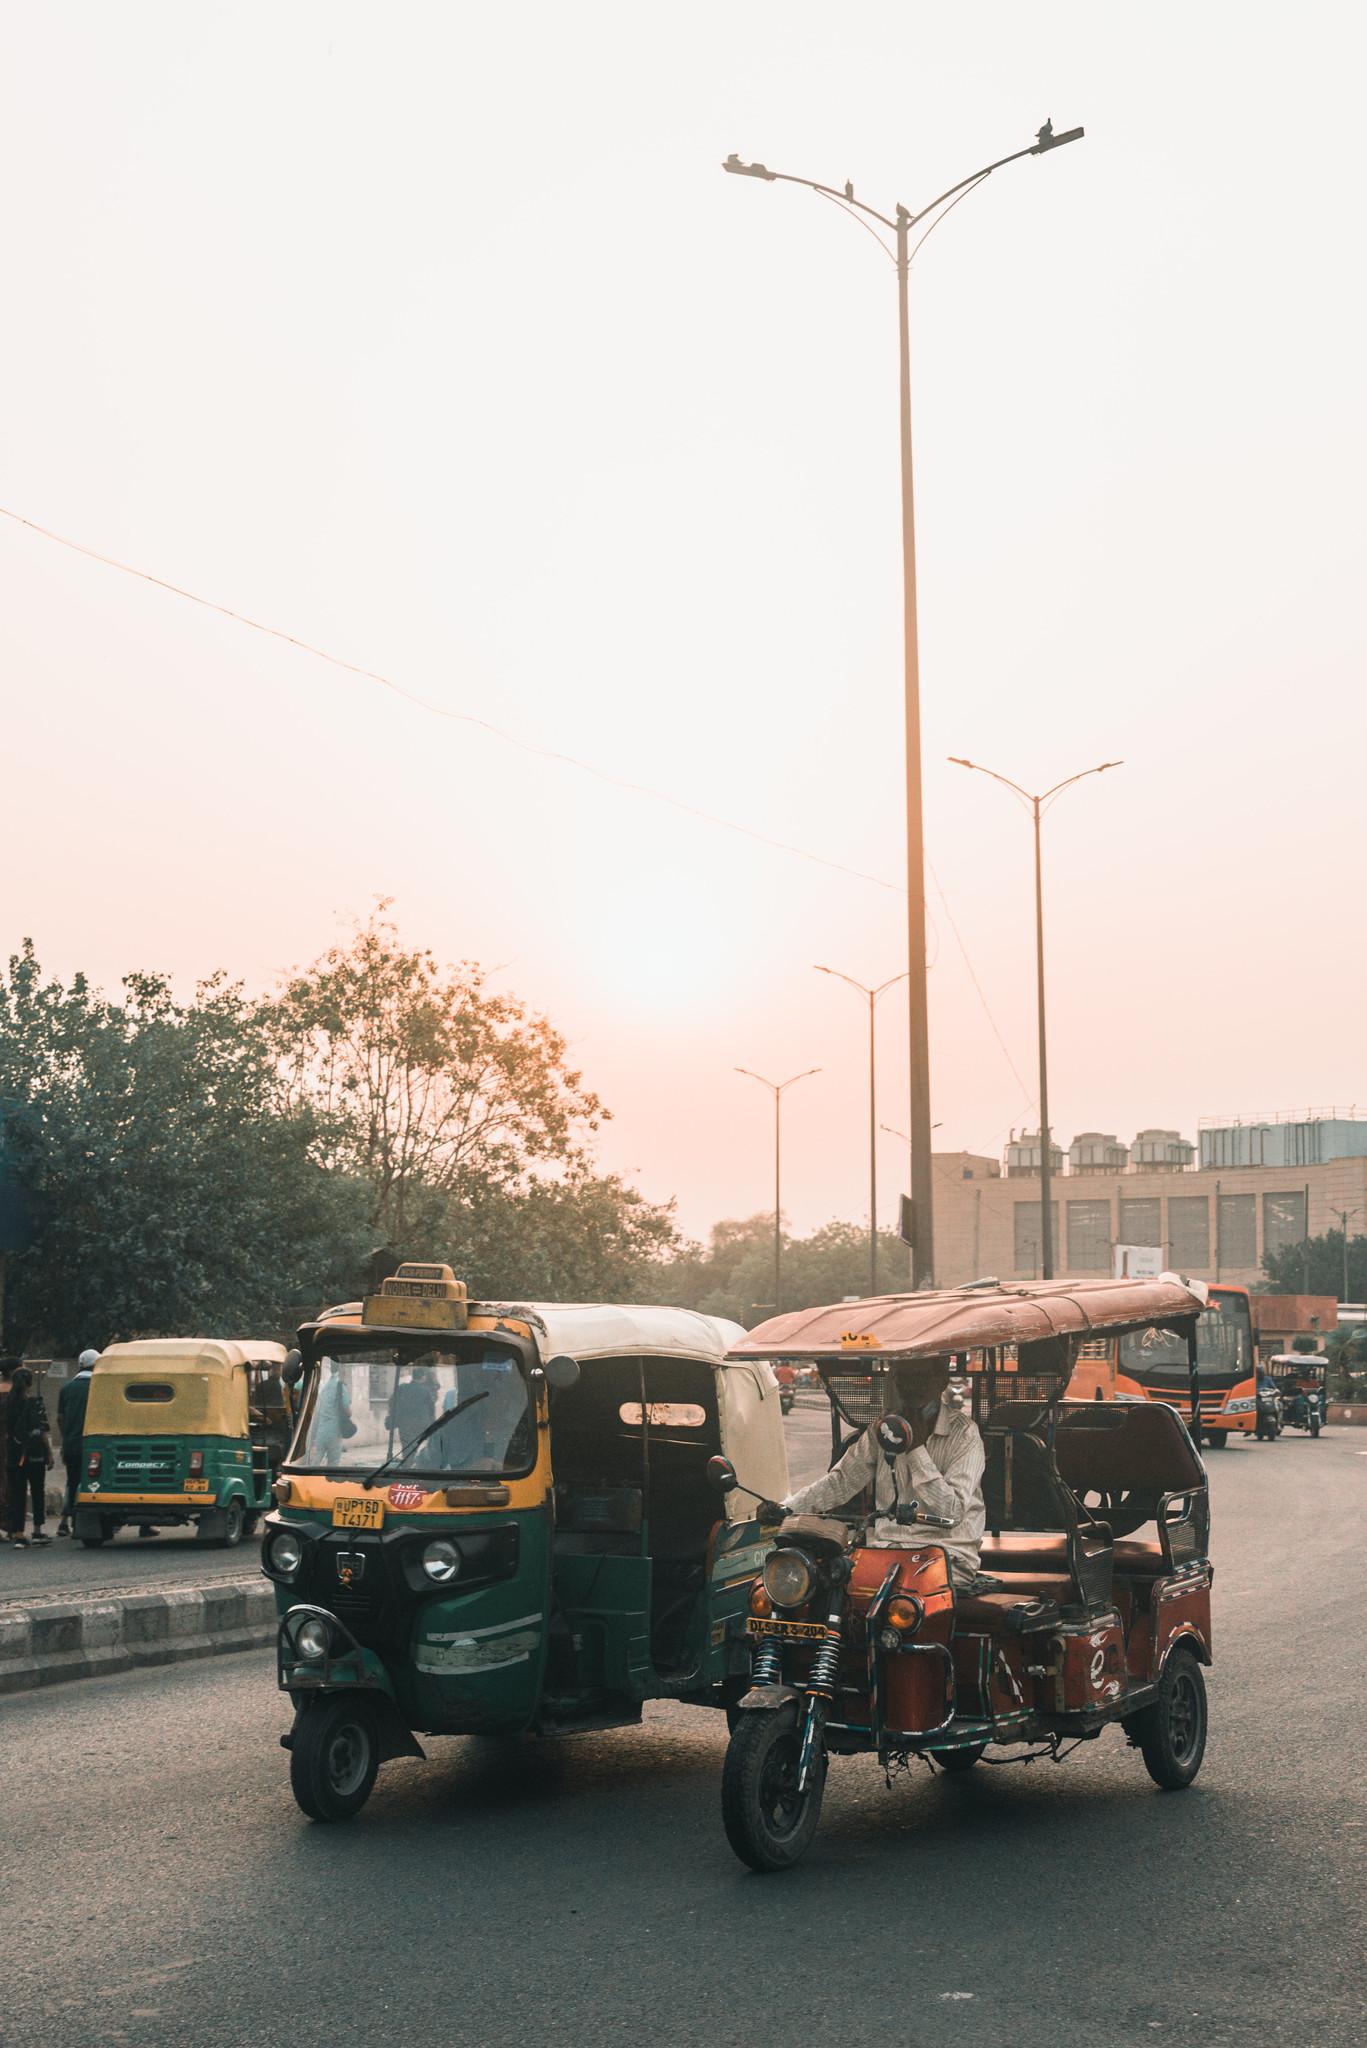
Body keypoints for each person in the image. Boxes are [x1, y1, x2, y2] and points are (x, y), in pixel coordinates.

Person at [779, 1358, 986, 1586]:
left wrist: (916, 1449)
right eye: (903, 1378)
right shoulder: (884, 1428)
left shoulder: (965, 1433)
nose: (911, 1387)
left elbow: (952, 1512)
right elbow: (841, 1481)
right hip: (885, 1549)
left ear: (941, 1381)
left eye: (919, 1377)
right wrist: (788, 1508)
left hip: (946, 1555)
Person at [5, 1364, 54, 1547]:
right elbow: (42, 1430)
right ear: (29, 1384)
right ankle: (37, 1531)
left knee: (17, 1494)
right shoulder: (35, 1403)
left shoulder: (7, 1405)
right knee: (37, 1492)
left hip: (14, 1455)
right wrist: (49, 1453)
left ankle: (18, 1534)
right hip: (34, 1455)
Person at [56, 1349, 100, 1537]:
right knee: (92, 1482)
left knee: (72, 1482)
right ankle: (82, 1521)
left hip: (71, 1443)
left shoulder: (67, 1388)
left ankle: (64, 1521)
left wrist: (66, 1436)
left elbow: (60, 1417)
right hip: (94, 1445)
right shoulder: (99, 1387)